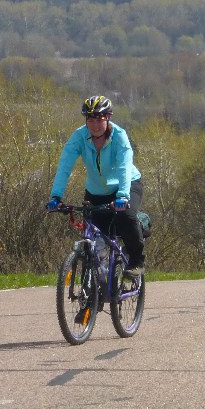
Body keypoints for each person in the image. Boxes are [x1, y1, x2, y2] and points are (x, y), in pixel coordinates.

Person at [47, 95, 146, 275]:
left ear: (108, 117)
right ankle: (93, 284)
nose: (95, 125)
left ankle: (136, 261)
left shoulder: (119, 136)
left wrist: (123, 195)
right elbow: (64, 167)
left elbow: (124, 167)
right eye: (90, 120)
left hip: (126, 185)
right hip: (96, 191)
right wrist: (56, 196)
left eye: (99, 119)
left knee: (125, 217)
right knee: (93, 238)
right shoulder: (79, 136)